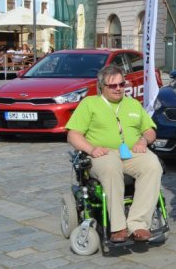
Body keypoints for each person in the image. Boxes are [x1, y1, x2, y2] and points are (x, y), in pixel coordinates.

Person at [66, 65, 162, 243]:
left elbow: (150, 130)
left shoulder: (133, 104)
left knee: (153, 164)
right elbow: (73, 135)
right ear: (102, 86)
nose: (118, 88)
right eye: (113, 86)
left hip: (132, 153)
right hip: (103, 154)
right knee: (111, 167)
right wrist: (91, 149)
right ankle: (118, 227)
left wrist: (144, 140)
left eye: (121, 84)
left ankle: (138, 224)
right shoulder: (89, 104)